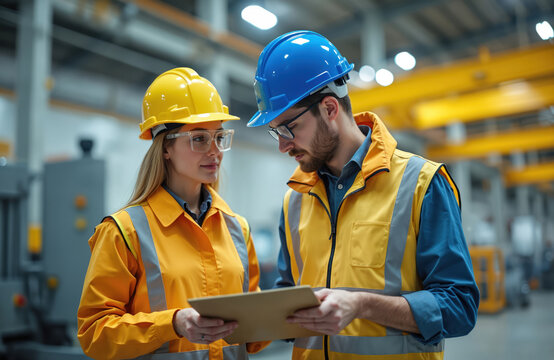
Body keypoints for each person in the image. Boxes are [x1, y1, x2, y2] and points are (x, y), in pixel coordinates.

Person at [247, 31, 479, 359]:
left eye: (289, 128)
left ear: (329, 108)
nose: (283, 144)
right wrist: (246, 319)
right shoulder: (295, 200)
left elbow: (459, 307)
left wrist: (362, 305)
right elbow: (290, 297)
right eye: (275, 133)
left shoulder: (421, 183)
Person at [77, 68, 268, 359]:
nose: (214, 151)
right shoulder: (124, 231)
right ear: (166, 146)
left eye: (219, 137)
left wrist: (285, 317)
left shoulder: (237, 229)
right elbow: (94, 334)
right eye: (199, 139)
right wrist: (173, 324)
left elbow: (252, 339)